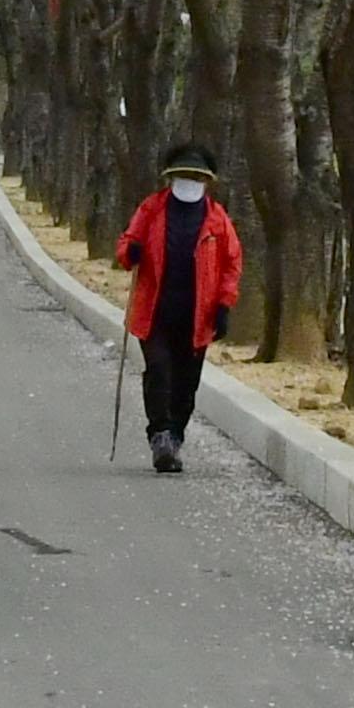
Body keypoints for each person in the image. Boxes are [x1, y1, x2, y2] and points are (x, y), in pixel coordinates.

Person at [113, 141, 242, 474]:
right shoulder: (152, 209)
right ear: (170, 179)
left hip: (198, 315)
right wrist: (132, 252)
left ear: (206, 181)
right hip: (154, 310)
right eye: (182, 175)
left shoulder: (217, 219)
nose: (189, 182)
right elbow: (127, 243)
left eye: (195, 176)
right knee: (158, 370)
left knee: (186, 382)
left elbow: (232, 263)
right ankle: (160, 435)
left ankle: (175, 435)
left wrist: (225, 304)